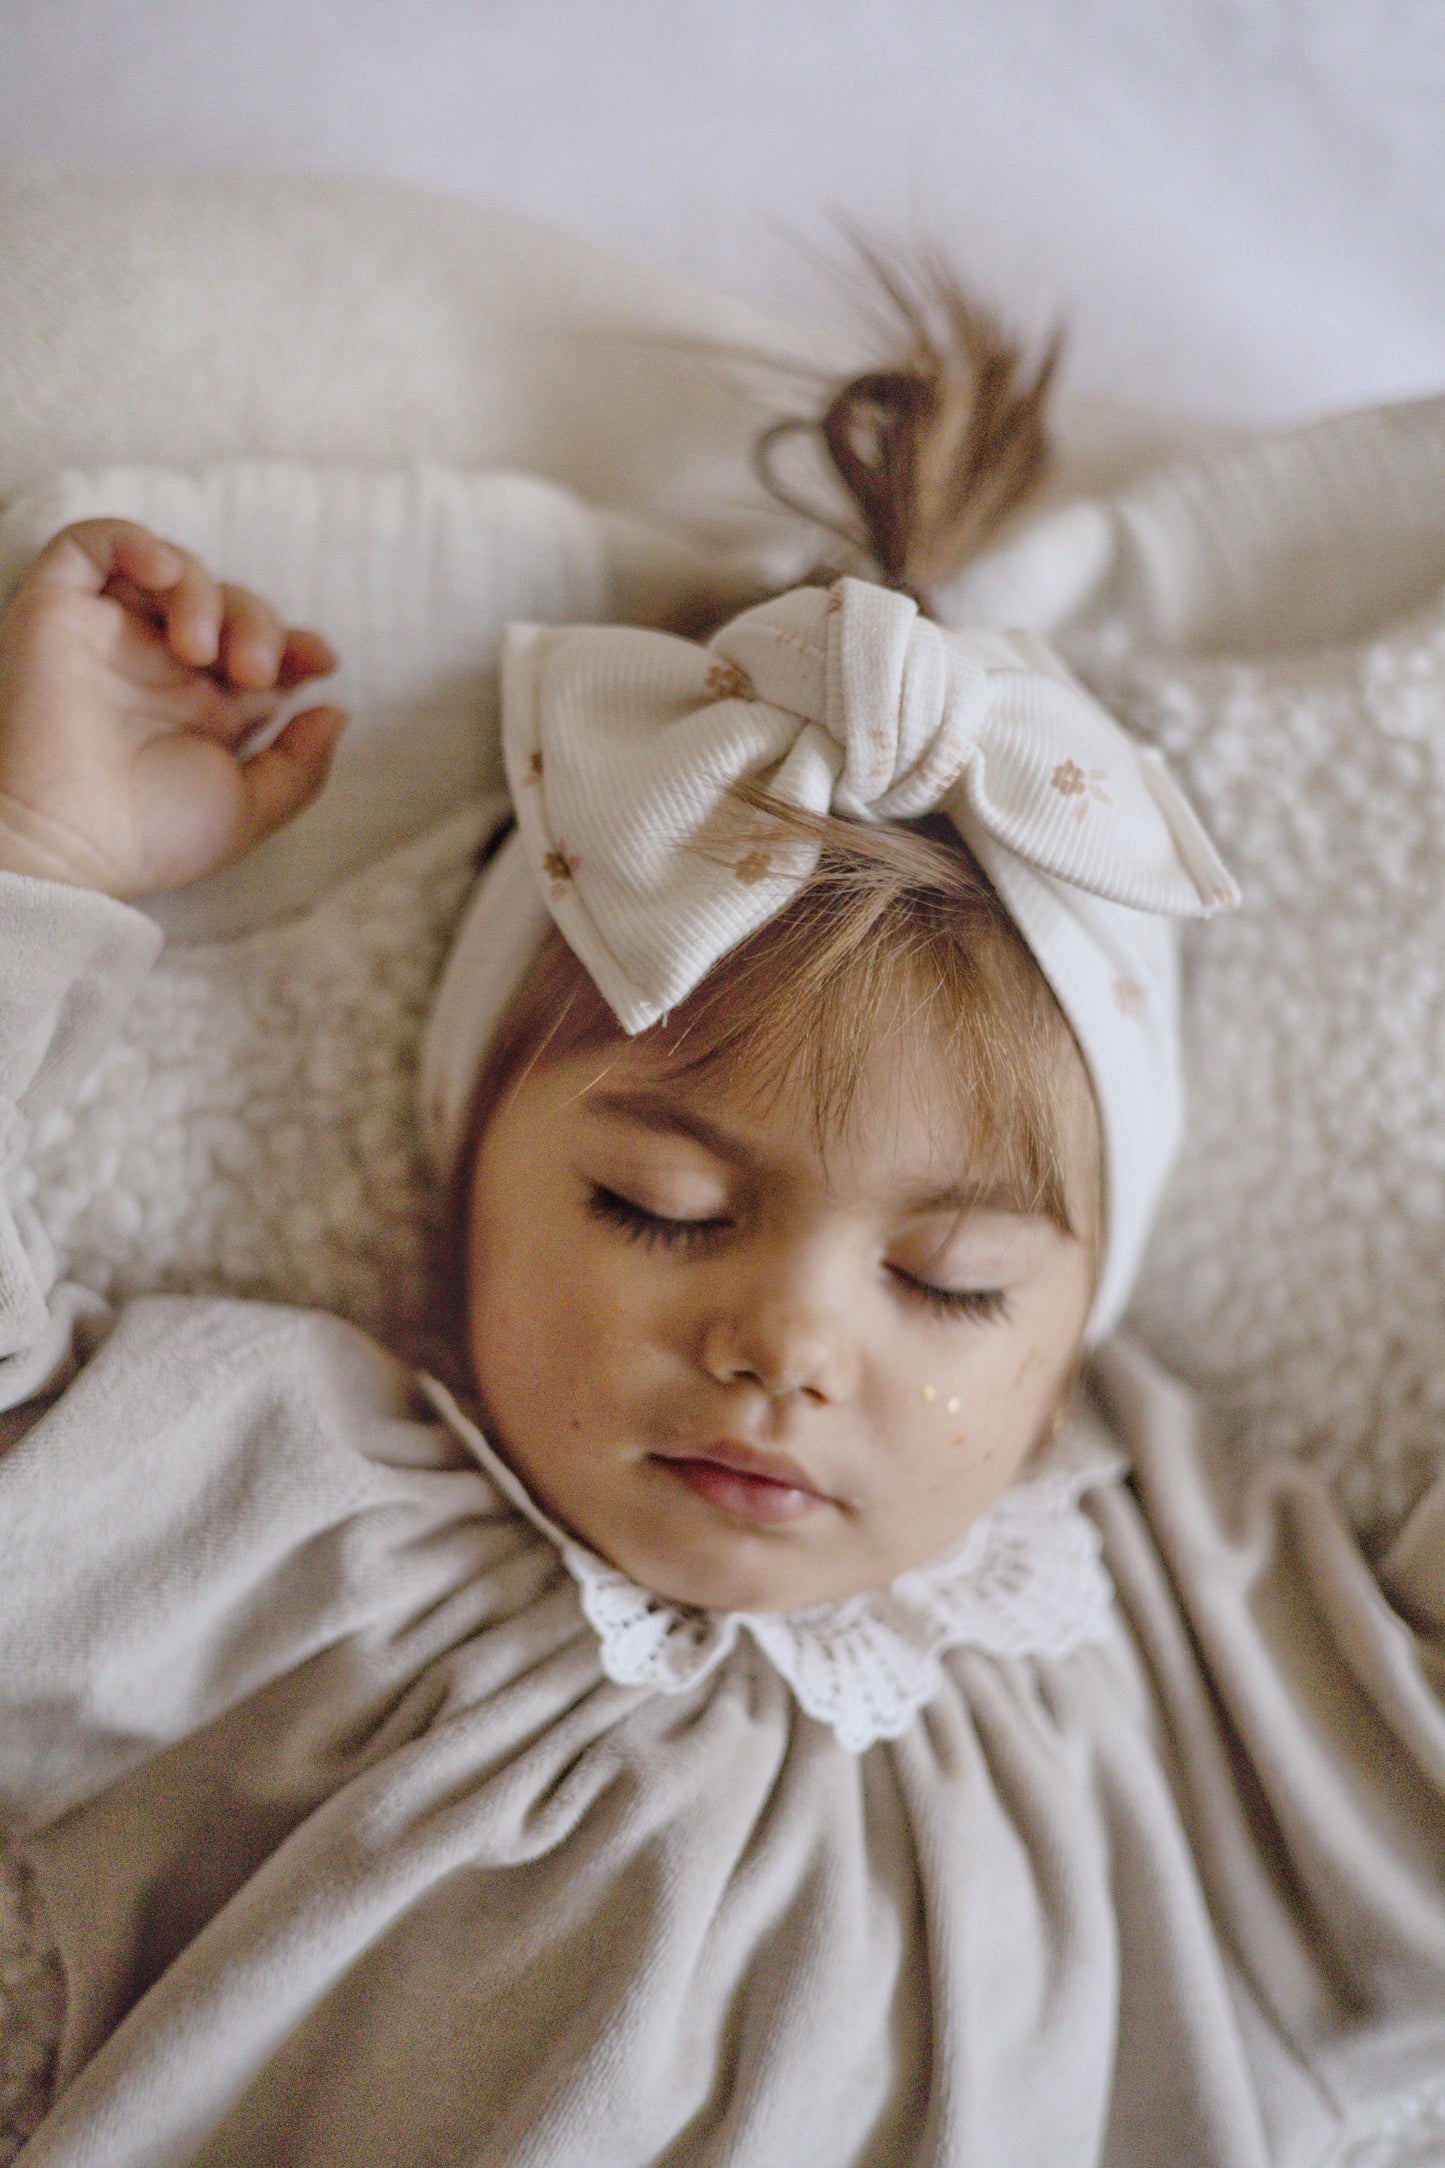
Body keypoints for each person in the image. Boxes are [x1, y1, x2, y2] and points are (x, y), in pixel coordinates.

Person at [2, 293, 1445, 2168]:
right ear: (463, 1196)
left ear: (1079, 1323)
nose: (787, 1340)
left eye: (949, 1281)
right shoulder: (307, 1535)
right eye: (659, 1208)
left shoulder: (1162, 1611)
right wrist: (40, 857)